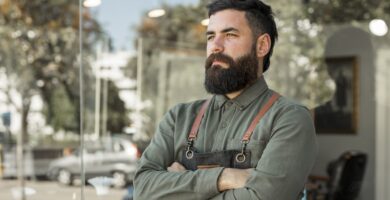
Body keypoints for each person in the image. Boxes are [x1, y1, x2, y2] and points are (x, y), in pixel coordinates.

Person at [134, 0, 318, 199]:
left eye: (230, 35)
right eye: (211, 36)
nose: (216, 46)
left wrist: (181, 183)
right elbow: (143, 189)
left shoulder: (289, 118)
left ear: (262, 45)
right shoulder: (178, 118)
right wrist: (224, 177)